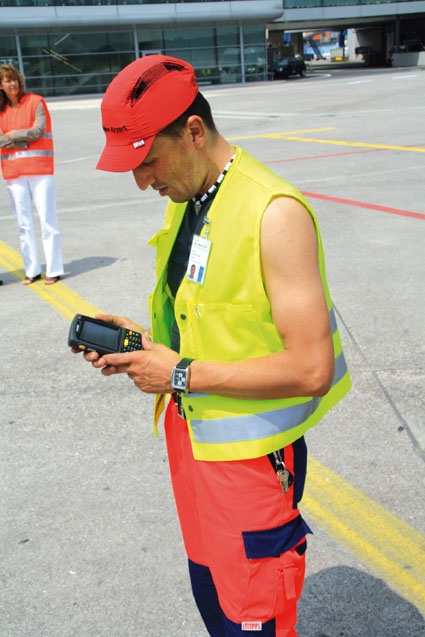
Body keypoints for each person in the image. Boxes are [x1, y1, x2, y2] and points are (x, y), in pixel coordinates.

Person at [76, 55, 351, 636]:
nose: (142, 180)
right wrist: (147, 346)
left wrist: (180, 375)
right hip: (194, 441)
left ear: (194, 131)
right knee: (214, 600)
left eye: (148, 160)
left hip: (250, 463)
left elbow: (311, 369)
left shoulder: (274, 214)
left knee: (254, 619)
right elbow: (207, 322)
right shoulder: (193, 198)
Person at [0, 64, 64, 285]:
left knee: (48, 220)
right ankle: (32, 270)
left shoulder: (36, 102)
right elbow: (1, 138)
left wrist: (14, 135)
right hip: (14, 174)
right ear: (1, 85)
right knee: (23, 223)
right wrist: (23, 139)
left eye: (15, 79)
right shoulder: (1, 110)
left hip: (40, 171)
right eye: (7, 80)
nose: (13, 83)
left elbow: (39, 130)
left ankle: (54, 269)